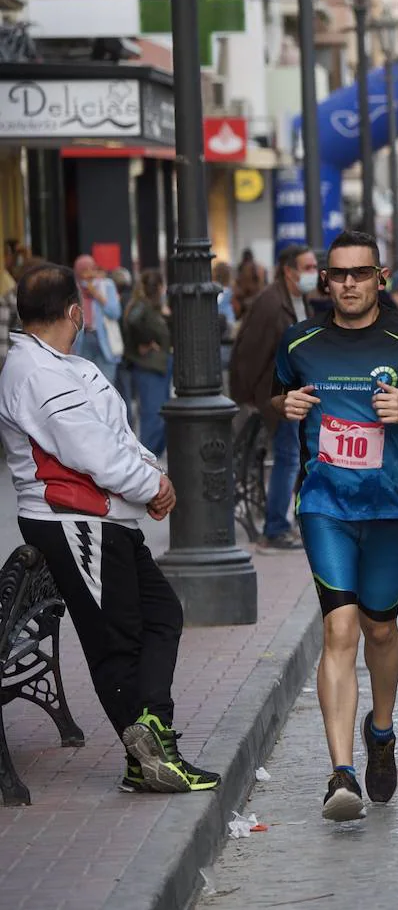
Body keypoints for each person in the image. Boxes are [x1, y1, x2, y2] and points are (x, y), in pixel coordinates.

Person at [0, 263, 219, 794]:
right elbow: (91, 450)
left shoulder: (64, 364)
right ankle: (149, 752)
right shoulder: (34, 370)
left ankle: (150, 735)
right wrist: (150, 486)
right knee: (116, 643)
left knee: (161, 614)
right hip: (74, 521)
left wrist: (154, 477)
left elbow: (116, 434)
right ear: (76, 311)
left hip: (100, 520)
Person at [272, 230, 398, 822]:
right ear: (324, 281)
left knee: (380, 630)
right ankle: (341, 772)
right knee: (340, 631)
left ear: (380, 278)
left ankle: (380, 731)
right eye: (339, 274)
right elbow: (278, 395)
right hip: (324, 506)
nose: (349, 283)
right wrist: (286, 406)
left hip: (389, 510)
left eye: (361, 273)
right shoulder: (299, 341)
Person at [229, 244, 320, 552]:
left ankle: (291, 519)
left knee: (297, 456)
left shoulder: (297, 298)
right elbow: (250, 354)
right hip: (279, 395)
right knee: (289, 458)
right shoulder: (270, 304)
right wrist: (256, 397)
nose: (313, 273)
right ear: (289, 271)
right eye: (307, 268)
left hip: (297, 392)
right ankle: (276, 527)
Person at [123, 269, 173, 457]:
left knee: (159, 416)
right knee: (154, 416)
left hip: (157, 367)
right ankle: (146, 458)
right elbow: (133, 321)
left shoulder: (150, 307)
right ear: (159, 287)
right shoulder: (143, 306)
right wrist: (145, 342)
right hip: (150, 367)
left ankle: (150, 457)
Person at [72, 255, 122, 382]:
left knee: (106, 383)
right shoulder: (74, 289)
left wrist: (96, 293)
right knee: (84, 384)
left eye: (91, 268)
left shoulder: (107, 286)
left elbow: (115, 312)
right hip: (82, 339)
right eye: (84, 270)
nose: (89, 273)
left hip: (104, 340)